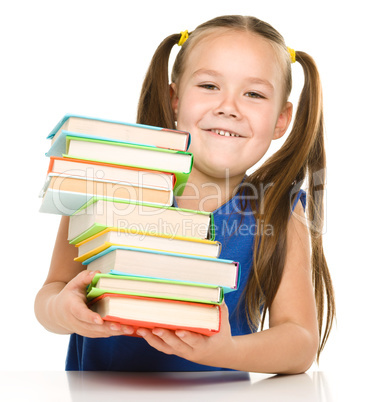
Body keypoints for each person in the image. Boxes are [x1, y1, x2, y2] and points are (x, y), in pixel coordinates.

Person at [34, 15, 335, 374]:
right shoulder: (107, 180)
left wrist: (226, 353)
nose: (228, 107)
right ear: (175, 98)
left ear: (281, 120)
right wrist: (62, 311)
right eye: (209, 86)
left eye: (253, 94)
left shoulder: (279, 212)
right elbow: (51, 291)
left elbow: (300, 341)